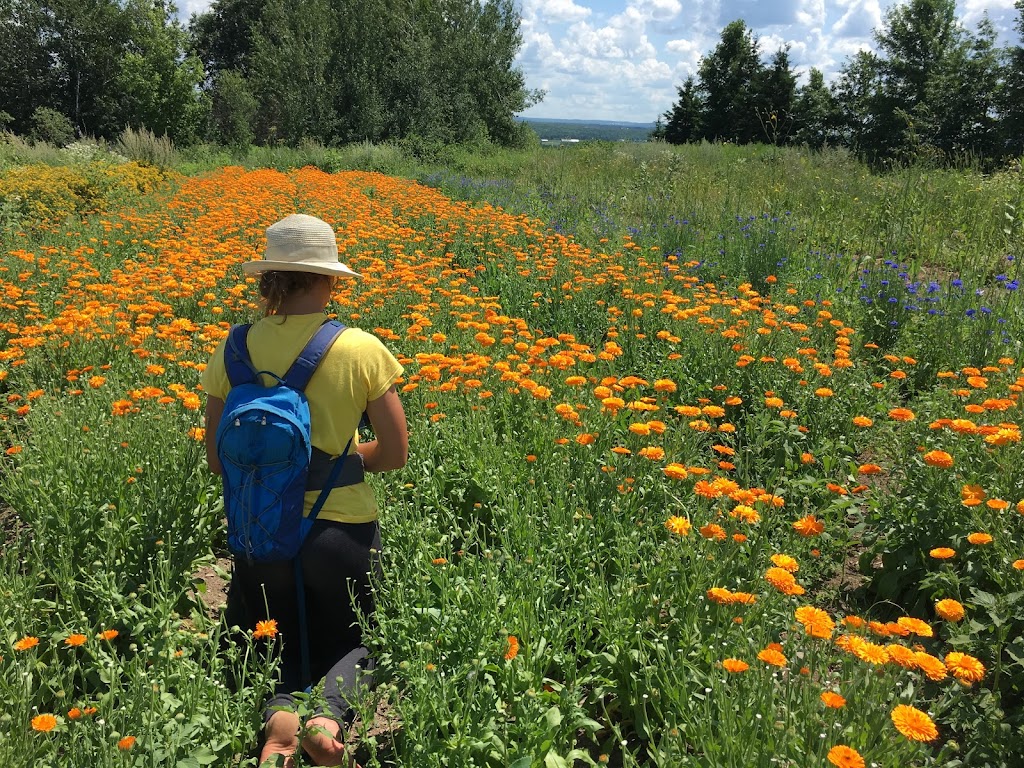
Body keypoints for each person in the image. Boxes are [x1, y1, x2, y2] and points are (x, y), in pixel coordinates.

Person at [201, 213, 408, 767]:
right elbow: (393, 454)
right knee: (353, 639)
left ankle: (281, 720)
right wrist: (340, 462)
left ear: (270, 278)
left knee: (269, 635)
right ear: (328, 279)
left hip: (260, 529)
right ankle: (327, 720)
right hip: (339, 532)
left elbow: (218, 457)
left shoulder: (235, 347)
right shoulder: (359, 348)